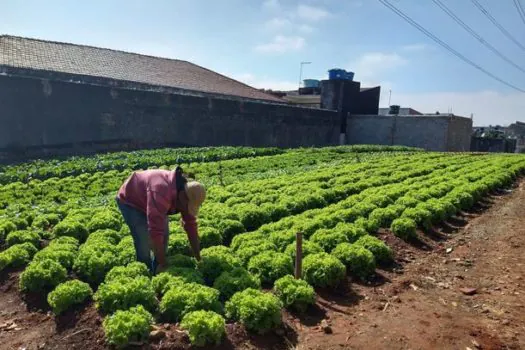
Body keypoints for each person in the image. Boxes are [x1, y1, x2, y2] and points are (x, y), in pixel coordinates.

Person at [116, 166, 206, 274]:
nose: (187, 210)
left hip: (151, 197)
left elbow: (191, 225)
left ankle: (157, 269)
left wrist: (198, 257)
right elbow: (155, 232)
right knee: (143, 241)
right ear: (182, 197)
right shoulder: (161, 192)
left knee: (164, 238)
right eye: (188, 206)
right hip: (131, 201)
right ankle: (146, 272)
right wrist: (164, 264)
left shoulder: (186, 194)